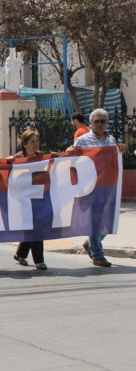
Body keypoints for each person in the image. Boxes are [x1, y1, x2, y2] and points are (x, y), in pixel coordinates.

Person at [68, 108, 124, 267]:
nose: (100, 124)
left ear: (106, 123)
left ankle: (90, 243)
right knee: (95, 220)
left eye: (103, 121)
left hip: (108, 185)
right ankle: (98, 255)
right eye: (97, 121)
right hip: (90, 186)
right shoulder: (83, 140)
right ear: (91, 123)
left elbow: (114, 161)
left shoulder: (111, 140)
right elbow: (70, 157)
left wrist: (120, 151)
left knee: (109, 219)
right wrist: (70, 152)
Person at [8, 129, 55, 270]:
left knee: (36, 226)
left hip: (38, 197)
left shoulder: (41, 156)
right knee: (32, 227)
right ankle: (37, 259)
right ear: (24, 144)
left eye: (37, 141)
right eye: (32, 142)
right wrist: (8, 161)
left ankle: (22, 254)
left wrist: (57, 157)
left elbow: (52, 165)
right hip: (22, 198)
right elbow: (5, 169)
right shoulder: (17, 157)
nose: (35, 144)